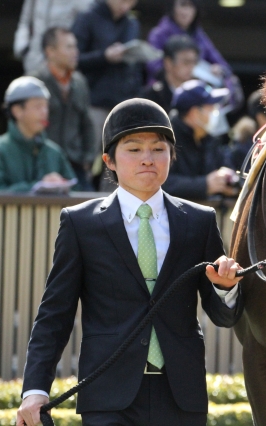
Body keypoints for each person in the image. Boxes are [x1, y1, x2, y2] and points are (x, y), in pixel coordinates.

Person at [16, 98, 244, 426]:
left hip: (181, 393)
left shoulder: (200, 220)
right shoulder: (81, 224)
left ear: (172, 155)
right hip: (108, 395)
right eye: (134, 149)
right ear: (109, 160)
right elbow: (55, 314)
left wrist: (225, 290)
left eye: (159, 149)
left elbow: (223, 316)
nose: (148, 159)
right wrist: (35, 388)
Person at [72, 0, 143, 154]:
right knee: (87, 156)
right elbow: (73, 60)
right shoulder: (88, 17)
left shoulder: (131, 23)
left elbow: (135, 66)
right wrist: (104, 56)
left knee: (118, 160)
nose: (126, 5)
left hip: (122, 104)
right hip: (92, 101)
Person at [146, 0, 243, 111]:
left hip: (194, 100)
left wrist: (219, 70)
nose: (186, 11)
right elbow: (153, 66)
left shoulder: (199, 35)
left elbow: (222, 66)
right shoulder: (158, 34)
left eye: (191, 6)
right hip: (163, 98)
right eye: (183, 5)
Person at [33, 27, 95, 190]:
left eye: (75, 46)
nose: (75, 52)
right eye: (69, 47)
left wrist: (88, 157)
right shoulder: (35, 82)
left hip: (75, 164)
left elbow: (87, 124)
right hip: (42, 163)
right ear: (50, 51)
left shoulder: (80, 82)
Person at [163, 80, 238, 200]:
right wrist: (204, 185)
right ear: (195, 113)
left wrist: (229, 180)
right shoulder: (165, 139)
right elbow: (161, 183)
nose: (216, 113)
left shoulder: (210, 139)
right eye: (212, 108)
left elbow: (227, 167)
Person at [0, 76, 76, 192]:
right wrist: (37, 187)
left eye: (46, 106)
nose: (44, 112)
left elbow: (76, 192)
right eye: (38, 106)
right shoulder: (2, 150)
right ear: (17, 111)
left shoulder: (54, 152)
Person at [13, 0, 93, 74]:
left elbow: (89, 19)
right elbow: (25, 21)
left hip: (62, 55)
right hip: (35, 56)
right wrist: (22, 47)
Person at [139, 34, 200, 114]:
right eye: (186, 62)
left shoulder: (197, 96)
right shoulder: (149, 98)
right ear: (168, 63)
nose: (191, 67)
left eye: (194, 62)